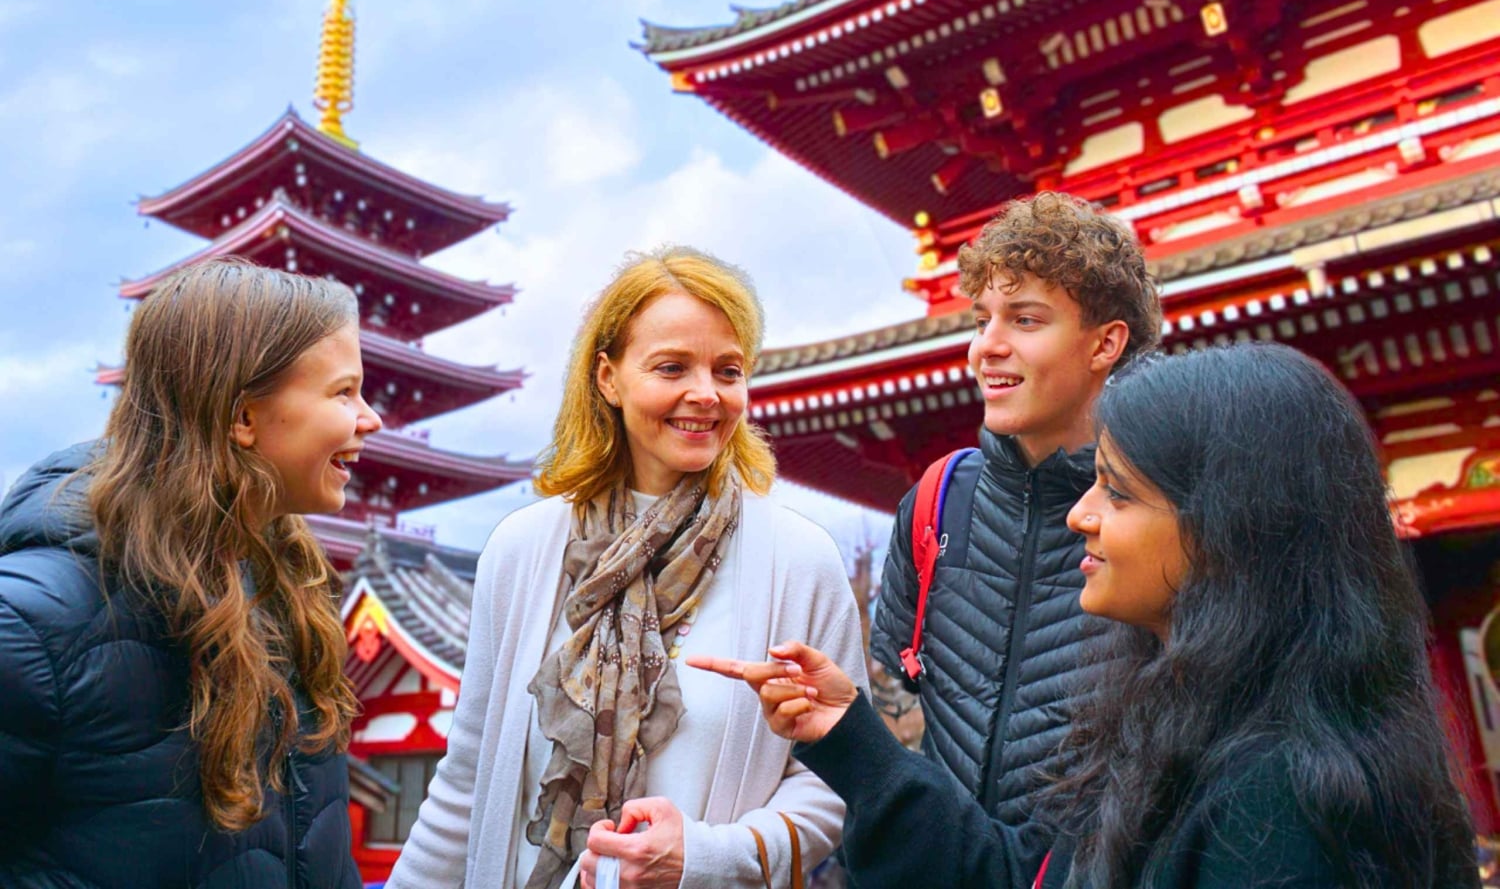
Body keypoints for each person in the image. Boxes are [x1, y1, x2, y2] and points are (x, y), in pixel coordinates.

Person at [696, 343, 1480, 889]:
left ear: (1235, 526)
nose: (1081, 514)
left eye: (1120, 491)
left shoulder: (1285, 803)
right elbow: (1018, 877)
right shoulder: (1171, 730)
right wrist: (852, 735)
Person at [385, 247, 866, 889]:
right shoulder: (526, 550)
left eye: (729, 370)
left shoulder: (799, 562)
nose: (706, 393)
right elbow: (470, 777)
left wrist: (707, 857)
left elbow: (833, 780)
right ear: (608, 378)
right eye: (672, 367)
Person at [0, 258, 381, 888]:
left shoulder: (289, 602)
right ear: (242, 417)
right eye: (344, 392)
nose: (369, 419)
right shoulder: (36, 621)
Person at [868, 192, 1161, 823]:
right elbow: (902, 698)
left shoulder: (1168, 514)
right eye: (981, 320)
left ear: (1105, 343)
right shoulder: (935, 503)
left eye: (1024, 320)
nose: (986, 348)